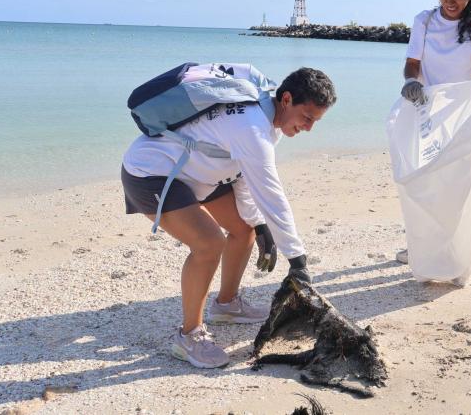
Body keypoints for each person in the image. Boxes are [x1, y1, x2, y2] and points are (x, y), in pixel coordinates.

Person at [121, 67, 336, 368]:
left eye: (316, 121)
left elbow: (245, 179)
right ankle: (188, 335)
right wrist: (298, 261)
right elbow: (272, 194)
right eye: (307, 117)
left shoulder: (269, 123)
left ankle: (226, 305)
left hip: (200, 174)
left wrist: (261, 226)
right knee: (209, 243)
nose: (309, 127)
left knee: (244, 228)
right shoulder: (252, 127)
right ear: (286, 99)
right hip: (153, 173)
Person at [396, 0, 471, 265]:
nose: (449, 0)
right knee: (425, 182)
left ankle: (456, 249)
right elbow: (412, 64)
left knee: (459, 185)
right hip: (426, 113)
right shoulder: (424, 21)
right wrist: (410, 83)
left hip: (465, 117)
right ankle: (420, 246)